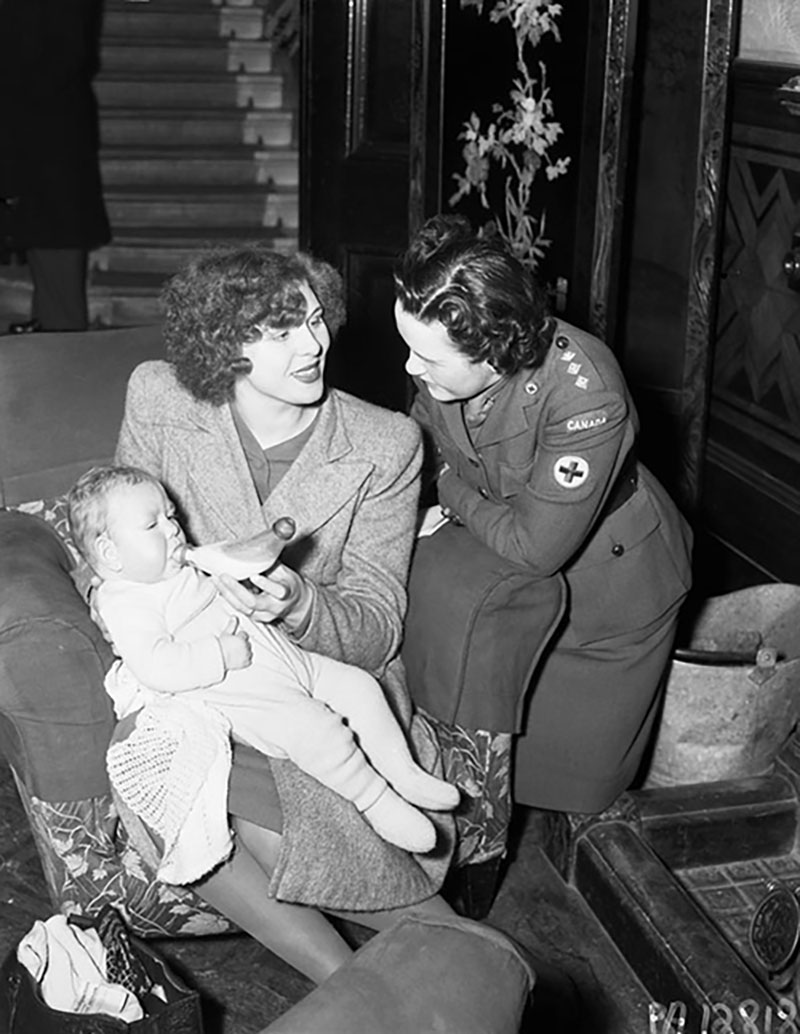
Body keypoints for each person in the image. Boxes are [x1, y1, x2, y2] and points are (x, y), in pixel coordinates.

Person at [113, 241, 459, 983]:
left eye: (314, 319)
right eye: (280, 330)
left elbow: (376, 624)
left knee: (264, 789)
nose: (314, 344)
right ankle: (361, 989)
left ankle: (436, 969)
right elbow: (113, 533)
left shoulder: (385, 443)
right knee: (169, 764)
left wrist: (300, 602)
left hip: (321, 676)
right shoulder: (160, 399)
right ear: (222, 343)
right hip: (194, 665)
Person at [393, 214, 693, 818]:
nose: (409, 368)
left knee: (580, 788)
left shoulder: (586, 393)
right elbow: (423, 437)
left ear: (494, 352)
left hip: (610, 598)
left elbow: (535, 547)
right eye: (408, 347)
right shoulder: (446, 357)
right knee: (500, 770)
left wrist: (448, 492)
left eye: (425, 357)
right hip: (523, 589)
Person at [68, 464, 459, 876]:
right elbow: (155, 665)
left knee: (360, 687)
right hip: (243, 692)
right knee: (316, 729)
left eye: (171, 515)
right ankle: (377, 801)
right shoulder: (126, 602)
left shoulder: (178, 564)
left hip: (285, 658)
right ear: (111, 554)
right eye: (153, 525)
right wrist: (219, 653)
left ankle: (404, 772)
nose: (173, 529)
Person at [0, 0, 110, 333]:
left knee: (55, 250)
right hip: (44, 132)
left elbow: (64, 55)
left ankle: (58, 348)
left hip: (43, 135)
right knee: (53, 251)